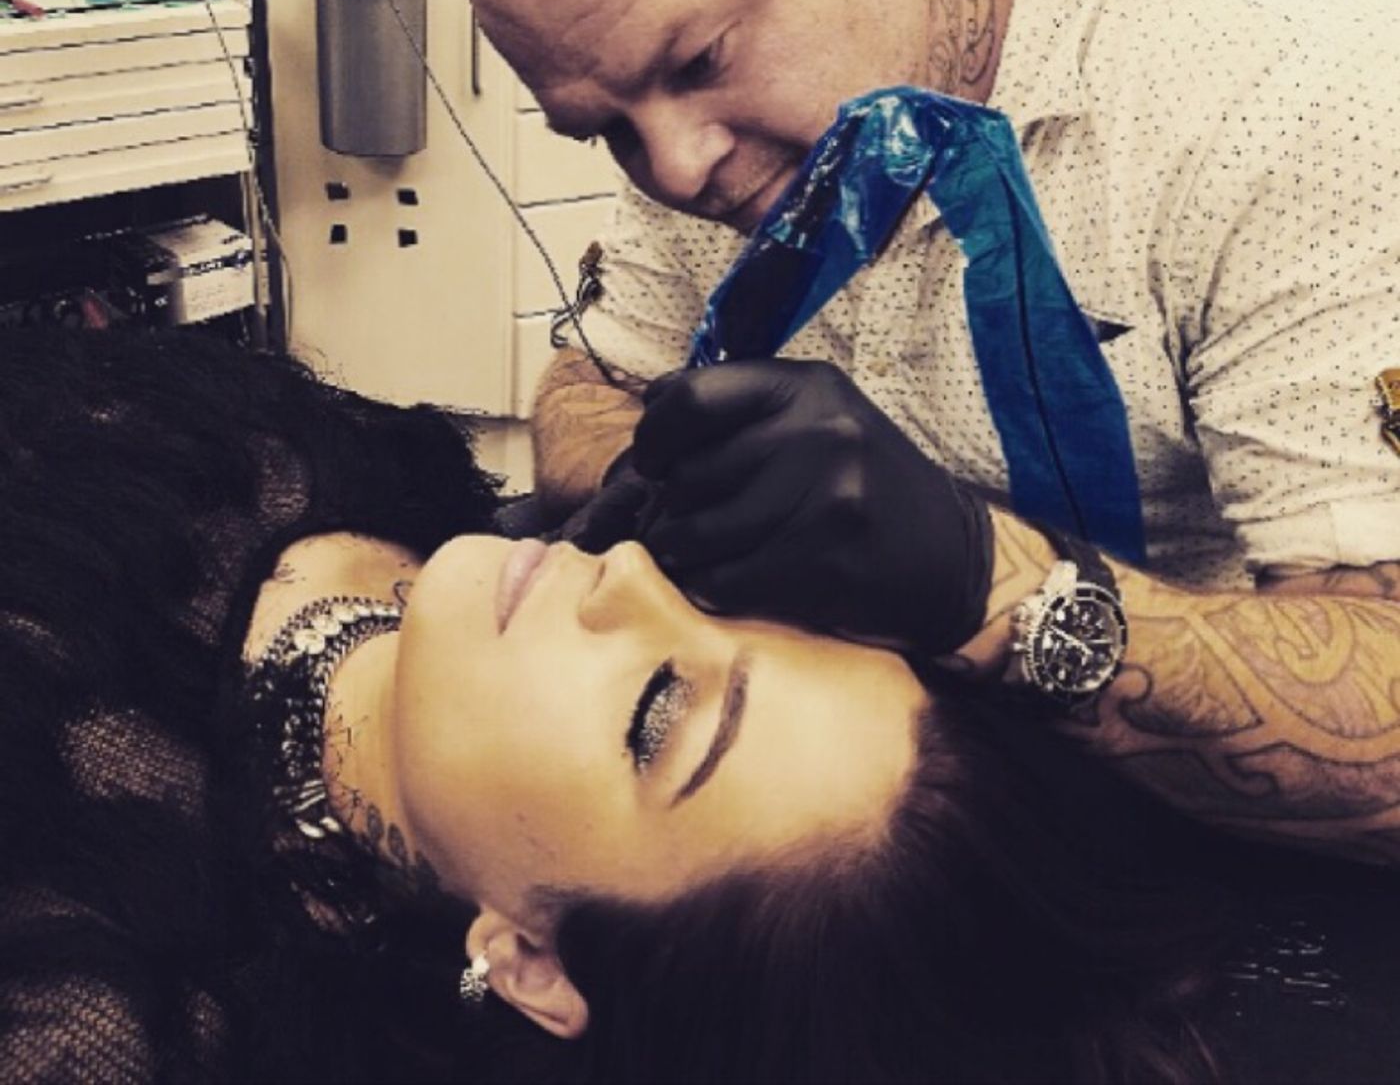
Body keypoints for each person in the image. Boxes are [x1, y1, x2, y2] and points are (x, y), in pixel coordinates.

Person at [454, 0, 1400, 857]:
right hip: (867, 798)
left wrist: (987, 584)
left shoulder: (1300, 90)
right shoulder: (693, 112)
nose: (677, 166)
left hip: (1186, 826)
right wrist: (674, 483)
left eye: (697, 59)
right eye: (604, 126)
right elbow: (589, 381)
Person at [18, 325, 1400, 1084]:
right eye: (746, 605)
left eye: (654, 716)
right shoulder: (398, 491)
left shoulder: (90, 983)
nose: (630, 579)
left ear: (533, 961)